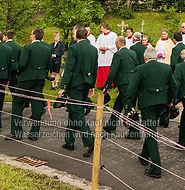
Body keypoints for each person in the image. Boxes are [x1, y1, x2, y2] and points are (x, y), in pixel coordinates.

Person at [126, 47, 177, 179]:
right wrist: (170, 100)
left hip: (147, 104)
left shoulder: (141, 69)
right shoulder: (166, 68)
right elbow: (174, 86)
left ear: (145, 57)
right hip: (161, 104)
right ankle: (144, 155)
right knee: (151, 129)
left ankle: (156, 167)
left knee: (150, 133)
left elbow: (132, 89)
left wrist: (129, 106)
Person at [58, 27, 98, 156]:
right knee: (74, 111)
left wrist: (63, 86)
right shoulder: (93, 49)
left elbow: (69, 68)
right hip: (86, 83)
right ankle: (69, 141)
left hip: (75, 84)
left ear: (77, 35)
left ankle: (90, 141)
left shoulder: (74, 48)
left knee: (77, 112)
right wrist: (92, 85)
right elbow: (95, 68)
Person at [9, 28, 52, 140]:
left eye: (31, 34)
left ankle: (16, 132)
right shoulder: (47, 49)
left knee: (17, 102)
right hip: (40, 78)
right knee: (36, 104)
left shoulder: (27, 48)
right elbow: (49, 65)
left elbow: (22, 64)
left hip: (27, 79)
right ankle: (34, 134)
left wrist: (16, 69)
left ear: (34, 36)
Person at [103, 36, 139, 138]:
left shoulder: (118, 54)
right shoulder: (133, 53)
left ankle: (134, 131)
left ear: (118, 43)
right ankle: (111, 125)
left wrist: (107, 85)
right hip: (132, 82)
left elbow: (113, 71)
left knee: (129, 107)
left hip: (124, 83)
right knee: (118, 105)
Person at [0, 33, 12, 130]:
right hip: (3, 76)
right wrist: (7, 79)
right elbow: (9, 66)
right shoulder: (8, 49)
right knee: (0, 99)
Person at [3, 31, 21, 95]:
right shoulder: (18, 46)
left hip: (6, 68)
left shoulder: (4, 46)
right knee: (14, 85)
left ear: (6, 37)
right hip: (15, 68)